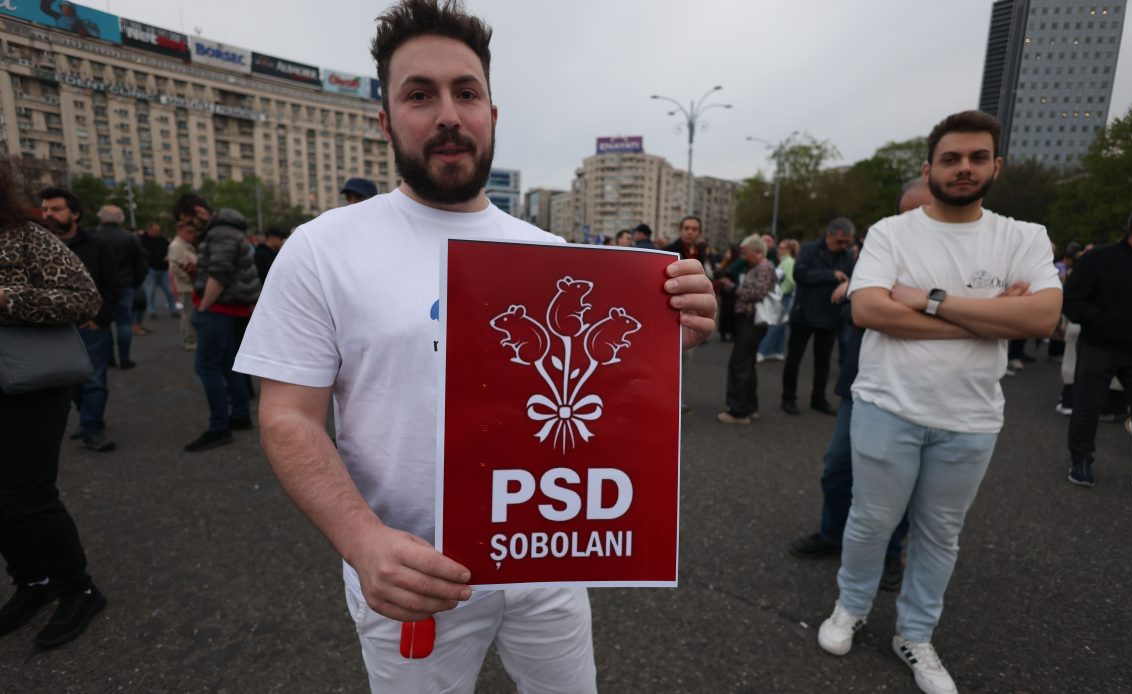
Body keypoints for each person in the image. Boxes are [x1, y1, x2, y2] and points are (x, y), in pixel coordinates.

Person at [233, 2, 715, 690]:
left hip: (546, 556)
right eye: (419, 95)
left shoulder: (553, 254)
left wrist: (673, 336)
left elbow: (594, 400)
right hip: (411, 573)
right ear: (385, 120)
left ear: (492, 113)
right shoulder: (323, 249)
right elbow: (287, 415)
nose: (447, 115)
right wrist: (363, 541)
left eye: (466, 92)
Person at [816, 110, 1062, 694]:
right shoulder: (890, 232)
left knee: (940, 534)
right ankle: (850, 606)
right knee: (871, 521)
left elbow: (1042, 318)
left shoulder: (1023, 236)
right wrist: (991, 317)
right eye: (951, 159)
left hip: (970, 418)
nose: (963, 168)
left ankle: (915, 634)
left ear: (996, 166)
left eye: (977, 158)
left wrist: (927, 300)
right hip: (886, 405)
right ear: (929, 169)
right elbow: (868, 310)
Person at [789, 179, 932, 591]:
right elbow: (862, 311)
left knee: (898, 479)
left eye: (923, 213)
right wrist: (861, 291)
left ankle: (889, 553)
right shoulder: (879, 249)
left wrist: (868, 294)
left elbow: (875, 304)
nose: (913, 222)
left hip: (915, 387)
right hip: (862, 380)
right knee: (838, 466)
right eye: (906, 214)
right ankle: (833, 533)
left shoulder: (949, 259)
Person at [1, 172, 107, 649]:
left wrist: (8, 298)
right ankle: (32, 580)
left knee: (27, 495)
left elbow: (86, 298)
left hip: (29, 382)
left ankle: (77, 589)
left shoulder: (24, 236)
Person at [175, 194, 261, 453]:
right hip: (234, 306)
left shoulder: (220, 232)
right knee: (229, 364)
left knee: (207, 367)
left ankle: (219, 427)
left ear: (199, 211)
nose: (188, 227)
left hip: (220, 308)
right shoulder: (228, 230)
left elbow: (220, 274)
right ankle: (240, 415)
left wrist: (203, 306)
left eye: (188, 220)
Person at [1062, 206, 1132, 489]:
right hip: (1098, 347)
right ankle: (1081, 461)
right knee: (1087, 407)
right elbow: (1071, 301)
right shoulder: (1099, 259)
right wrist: (1104, 321)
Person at [39, 189, 119, 452]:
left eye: (56, 209)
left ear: (74, 214)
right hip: (54, 329)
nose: (48, 214)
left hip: (90, 327)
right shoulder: (38, 246)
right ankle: (87, 420)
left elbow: (111, 286)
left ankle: (92, 428)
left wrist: (101, 319)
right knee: (68, 381)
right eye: (45, 209)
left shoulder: (97, 246)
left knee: (94, 380)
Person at [781, 218, 855, 416]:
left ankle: (818, 398)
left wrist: (846, 284)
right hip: (804, 314)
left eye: (847, 242)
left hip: (830, 315)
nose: (843, 245)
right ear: (829, 234)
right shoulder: (809, 249)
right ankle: (788, 397)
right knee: (794, 359)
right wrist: (831, 275)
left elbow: (854, 277)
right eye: (840, 241)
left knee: (823, 362)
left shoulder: (847, 255)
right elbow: (800, 274)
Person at [717, 234, 776, 425]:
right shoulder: (759, 267)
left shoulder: (764, 267)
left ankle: (738, 412)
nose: (743, 257)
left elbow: (758, 292)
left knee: (739, 364)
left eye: (745, 253)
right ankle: (750, 406)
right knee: (747, 364)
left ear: (757, 252)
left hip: (751, 321)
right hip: (750, 320)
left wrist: (734, 288)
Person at [89, 205, 147, 369]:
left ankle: (109, 358)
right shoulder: (130, 238)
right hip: (124, 284)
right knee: (124, 322)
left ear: (101, 217)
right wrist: (135, 282)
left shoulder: (92, 236)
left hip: (100, 287)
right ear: (121, 219)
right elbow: (141, 263)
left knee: (103, 322)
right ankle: (125, 358)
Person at [756, 238, 798, 361]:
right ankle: (778, 351)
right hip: (784, 296)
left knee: (776, 325)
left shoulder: (788, 262)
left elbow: (790, 281)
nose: (778, 250)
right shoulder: (785, 261)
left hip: (784, 297)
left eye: (781, 248)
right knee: (780, 324)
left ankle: (762, 351)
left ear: (788, 250)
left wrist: (780, 293)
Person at [168, 216, 199, 352]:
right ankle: (189, 340)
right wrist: (191, 279)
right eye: (189, 231)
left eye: (193, 231)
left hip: (189, 285)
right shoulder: (176, 246)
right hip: (185, 286)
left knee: (188, 313)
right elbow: (175, 268)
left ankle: (190, 339)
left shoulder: (186, 245)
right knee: (187, 315)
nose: (192, 234)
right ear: (179, 231)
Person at [139, 221, 179, 320]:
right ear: (149, 229)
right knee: (150, 292)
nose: (157, 232)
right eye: (154, 230)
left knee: (170, 291)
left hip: (163, 269)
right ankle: (152, 311)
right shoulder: (141, 240)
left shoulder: (162, 239)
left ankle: (173, 310)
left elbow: (170, 249)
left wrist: (169, 256)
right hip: (150, 269)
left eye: (158, 231)